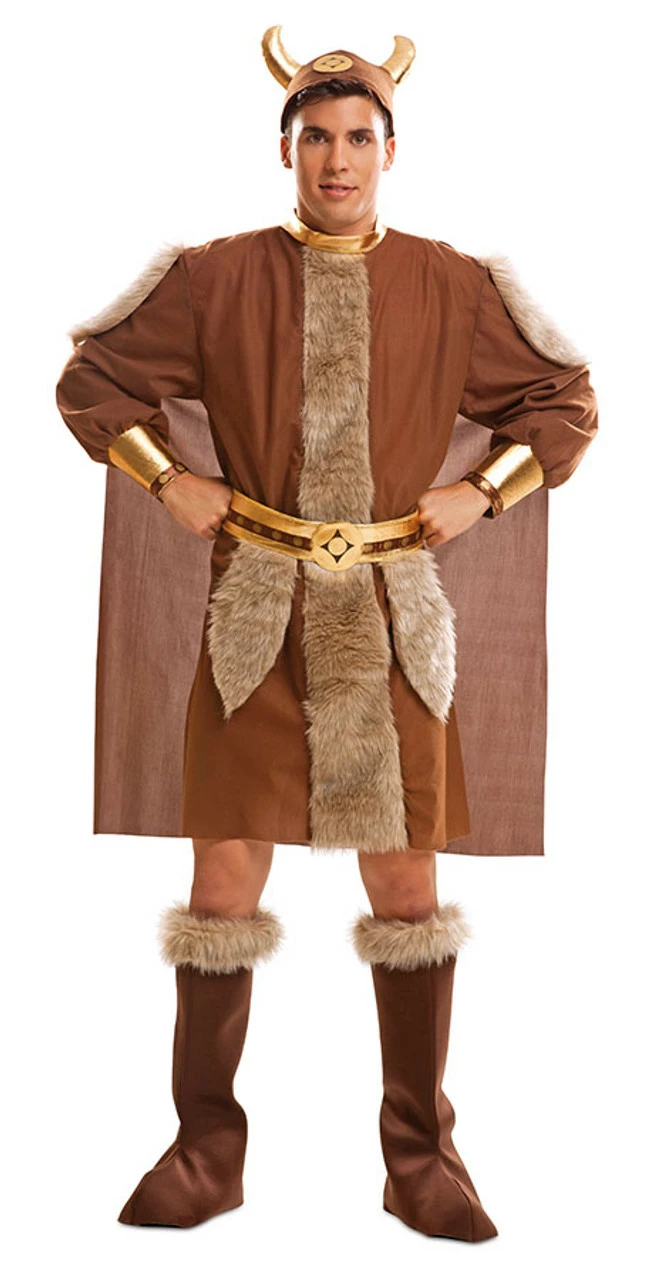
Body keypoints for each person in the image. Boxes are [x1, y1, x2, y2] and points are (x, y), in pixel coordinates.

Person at [54, 25, 599, 1238]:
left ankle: (420, 1157)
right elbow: (90, 381)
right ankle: (206, 1150)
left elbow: (564, 401)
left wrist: (485, 490)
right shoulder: (213, 277)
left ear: (390, 149)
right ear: (284, 149)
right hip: (255, 619)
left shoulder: (452, 284)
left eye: (358, 137)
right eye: (315, 137)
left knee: (407, 888)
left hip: (392, 624)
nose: (336, 160)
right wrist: (165, 478)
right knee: (221, 883)